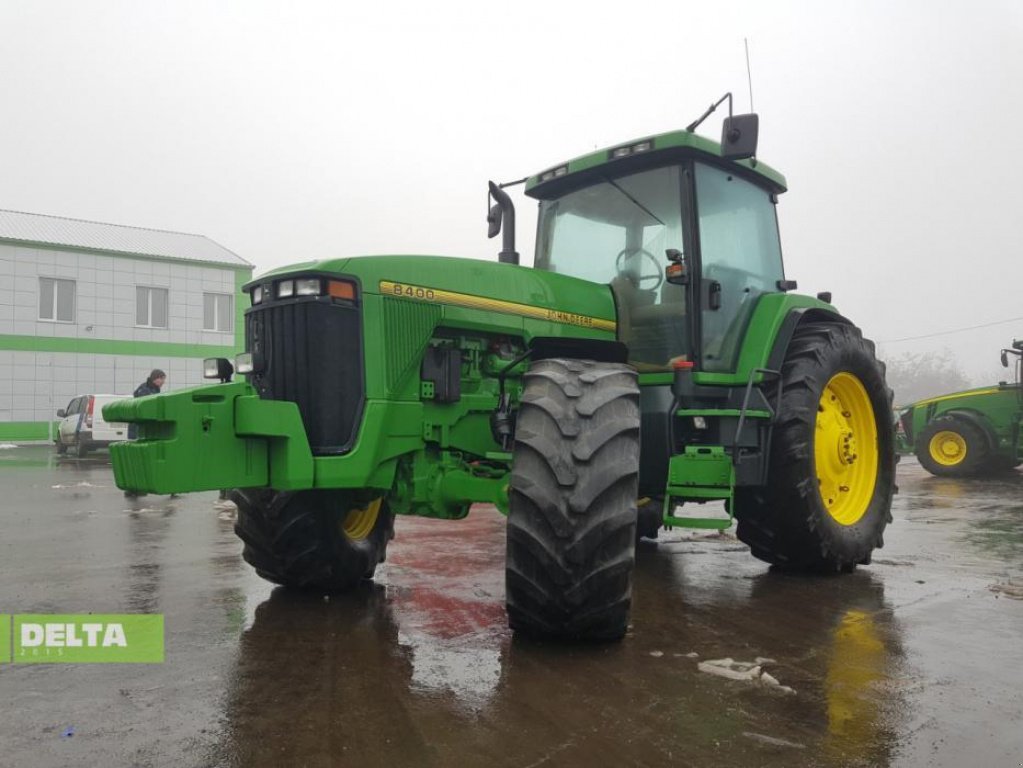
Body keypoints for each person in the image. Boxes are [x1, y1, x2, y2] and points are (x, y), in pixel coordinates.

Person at [124, 369, 166, 499]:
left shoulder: (152, 389)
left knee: (140, 460)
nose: (164, 382)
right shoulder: (145, 390)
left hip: (142, 430)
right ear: (156, 378)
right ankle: (132, 488)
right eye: (162, 379)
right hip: (138, 430)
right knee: (137, 460)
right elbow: (145, 410)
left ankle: (136, 488)